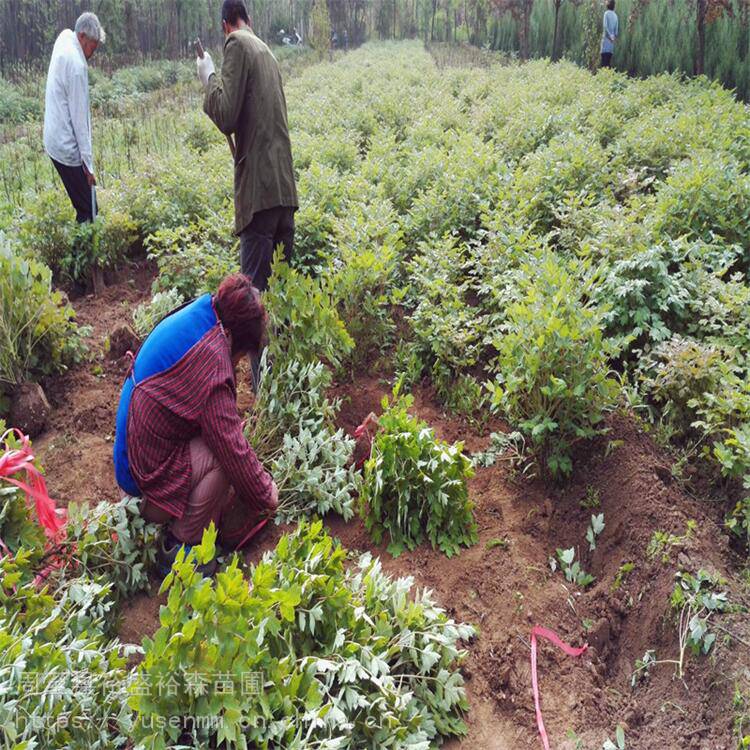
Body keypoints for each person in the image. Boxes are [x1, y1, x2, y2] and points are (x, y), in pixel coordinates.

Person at [113, 274, 279, 575]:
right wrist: (267, 494)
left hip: (134, 459)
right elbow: (232, 449)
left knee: (222, 449)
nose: (239, 362)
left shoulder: (203, 311)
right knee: (222, 459)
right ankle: (179, 549)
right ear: (233, 337)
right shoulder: (212, 363)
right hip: (142, 484)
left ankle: (183, 521)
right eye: (241, 356)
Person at [197, 0, 298, 388]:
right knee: (281, 298)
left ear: (226, 26)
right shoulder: (267, 50)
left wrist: (208, 77)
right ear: (248, 19)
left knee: (252, 306)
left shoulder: (237, 44)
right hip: (284, 192)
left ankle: (265, 396)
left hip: (259, 195)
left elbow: (225, 113)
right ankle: (287, 384)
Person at [43, 12, 105, 224]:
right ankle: (83, 254)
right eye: (91, 47)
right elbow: (80, 121)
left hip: (52, 137)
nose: (92, 54)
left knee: (85, 204)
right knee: (89, 209)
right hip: (65, 146)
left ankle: (83, 251)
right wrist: (88, 167)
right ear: (81, 37)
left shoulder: (64, 37)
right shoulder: (77, 67)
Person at [600, 0, 619, 69]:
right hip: (611, 44)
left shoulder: (606, 13)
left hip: (605, 42)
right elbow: (616, 31)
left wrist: (609, 36)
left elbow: (605, 26)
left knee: (603, 64)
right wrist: (613, 38)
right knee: (608, 64)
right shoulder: (616, 16)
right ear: (614, 6)